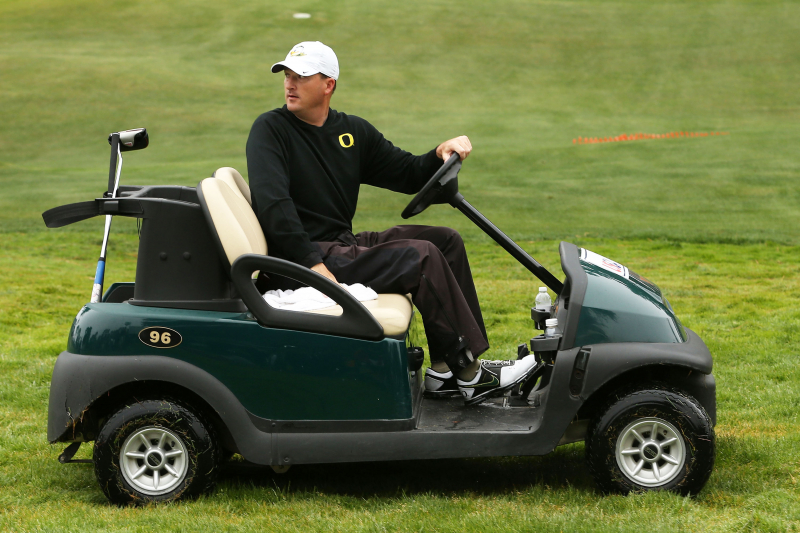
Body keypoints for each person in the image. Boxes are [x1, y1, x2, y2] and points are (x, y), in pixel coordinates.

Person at [246, 41, 537, 405]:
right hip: (298, 261)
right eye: (287, 75)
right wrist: (315, 267)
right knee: (422, 257)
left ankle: (446, 370)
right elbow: (275, 207)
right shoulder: (270, 129)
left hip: (338, 245)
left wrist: (437, 155)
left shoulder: (351, 132)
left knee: (445, 241)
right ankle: (471, 374)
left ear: (328, 84)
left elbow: (407, 173)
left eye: (301, 76)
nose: (290, 83)